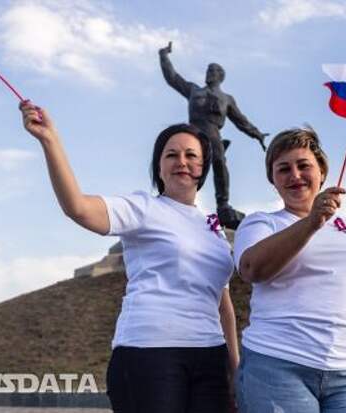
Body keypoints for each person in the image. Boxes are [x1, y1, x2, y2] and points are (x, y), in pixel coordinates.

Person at [19, 100, 240, 413]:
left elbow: (223, 304)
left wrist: (235, 366)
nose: (182, 161)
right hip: (150, 352)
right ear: (159, 167)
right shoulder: (143, 208)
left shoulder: (213, 228)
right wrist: (49, 140)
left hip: (210, 357)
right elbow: (78, 207)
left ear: (203, 166)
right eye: (171, 155)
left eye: (191, 155)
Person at [232, 127, 346, 413]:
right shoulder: (260, 224)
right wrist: (312, 221)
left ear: (322, 172)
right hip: (276, 366)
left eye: (304, 165)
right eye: (283, 169)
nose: (295, 175)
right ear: (273, 180)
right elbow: (251, 268)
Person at [159, 41, 268, 230]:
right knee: (184, 165)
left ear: (220, 76)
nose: (208, 73)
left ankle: (223, 205)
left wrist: (257, 134)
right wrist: (164, 55)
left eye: (213, 70)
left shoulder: (227, 99)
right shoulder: (194, 90)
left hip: (213, 133)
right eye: (208, 70)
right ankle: (177, 200)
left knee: (219, 163)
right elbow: (173, 78)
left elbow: (241, 120)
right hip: (193, 133)